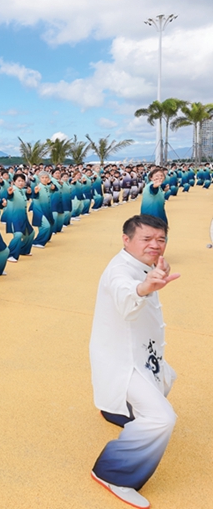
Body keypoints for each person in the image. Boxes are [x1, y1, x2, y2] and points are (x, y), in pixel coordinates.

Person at [88, 215, 180, 509]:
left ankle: (118, 412)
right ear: (126, 240)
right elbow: (127, 296)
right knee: (162, 418)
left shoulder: (141, 263)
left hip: (141, 352)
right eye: (147, 239)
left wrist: (154, 273)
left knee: (166, 377)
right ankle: (114, 474)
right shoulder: (119, 271)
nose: (155, 245)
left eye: (161, 239)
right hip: (123, 360)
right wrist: (143, 288)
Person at [4, 173, 34, 262]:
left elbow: (26, 197)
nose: (21, 183)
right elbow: (9, 196)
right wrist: (9, 193)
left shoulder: (22, 190)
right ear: (14, 182)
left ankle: (24, 250)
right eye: (19, 181)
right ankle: (9, 254)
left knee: (30, 233)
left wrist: (29, 193)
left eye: (23, 181)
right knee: (18, 235)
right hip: (14, 217)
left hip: (23, 217)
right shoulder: (12, 190)